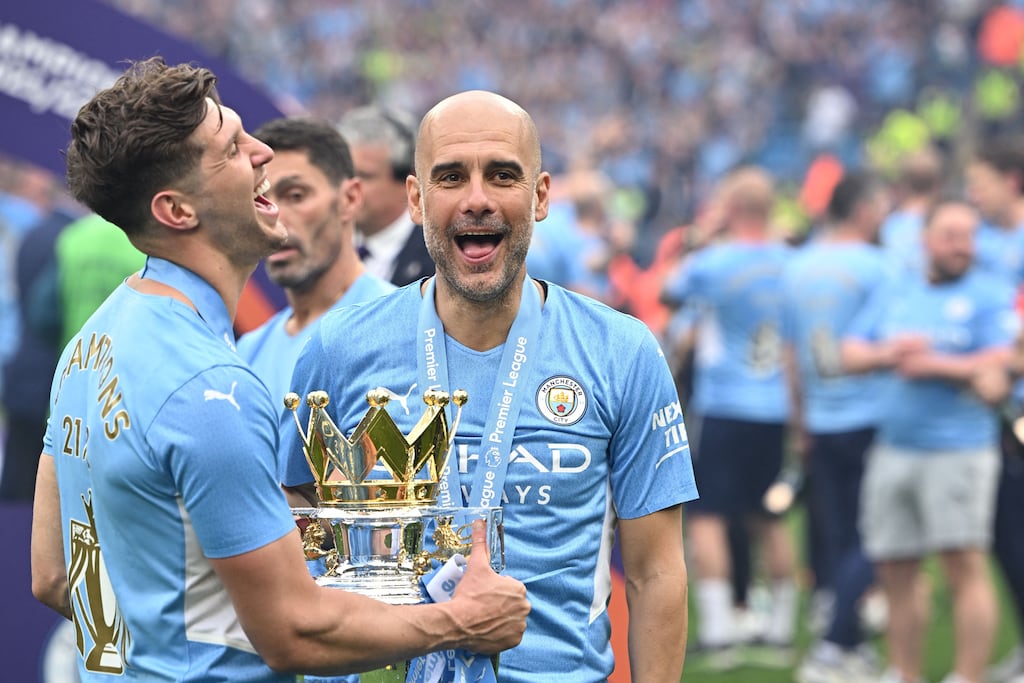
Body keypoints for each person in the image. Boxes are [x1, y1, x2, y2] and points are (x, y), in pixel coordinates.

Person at [29, 57, 529, 682]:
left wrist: (161, 628)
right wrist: (462, 621)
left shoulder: (92, 341)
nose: (262, 150)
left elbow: (52, 575)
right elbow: (294, 632)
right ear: (178, 210)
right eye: (231, 148)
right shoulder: (210, 389)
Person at [283, 89, 697, 682]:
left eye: (502, 175)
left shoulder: (621, 351)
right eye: (451, 177)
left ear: (542, 195)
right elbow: (292, 519)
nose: (477, 200)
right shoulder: (339, 347)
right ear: (417, 200)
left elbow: (656, 571)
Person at [841, 199, 1018, 683]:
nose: (962, 246)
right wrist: (888, 352)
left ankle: (968, 675)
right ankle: (906, 671)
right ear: (925, 240)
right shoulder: (898, 290)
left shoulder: (987, 293)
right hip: (895, 446)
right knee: (896, 569)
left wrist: (933, 363)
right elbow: (849, 352)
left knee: (963, 565)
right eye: (950, 235)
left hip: (959, 449)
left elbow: (1004, 362)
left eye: (969, 236)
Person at [661, 166, 799, 669]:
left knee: (710, 516)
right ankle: (780, 630)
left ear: (732, 207)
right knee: (770, 516)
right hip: (776, 404)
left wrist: (706, 236)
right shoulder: (791, 261)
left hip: (724, 404)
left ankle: (720, 633)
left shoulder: (714, 262)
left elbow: (668, 290)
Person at [785, 172, 893, 683]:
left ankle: (846, 632)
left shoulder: (798, 266)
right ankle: (838, 641)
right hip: (873, 414)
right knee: (880, 534)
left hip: (821, 417)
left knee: (842, 532)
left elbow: (789, 355)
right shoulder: (881, 266)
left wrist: (800, 420)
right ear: (865, 209)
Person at [236, 116, 395, 420]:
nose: (275, 218)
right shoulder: (249, 350)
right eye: (260, 200)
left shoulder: (394, 327)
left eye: (296, 196)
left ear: (350, 199)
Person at [336, 106, 434, 286]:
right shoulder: (326, 248)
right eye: (343, 175)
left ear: (409, 183)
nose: (347, 188)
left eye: (364, 176)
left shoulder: (437, 257)